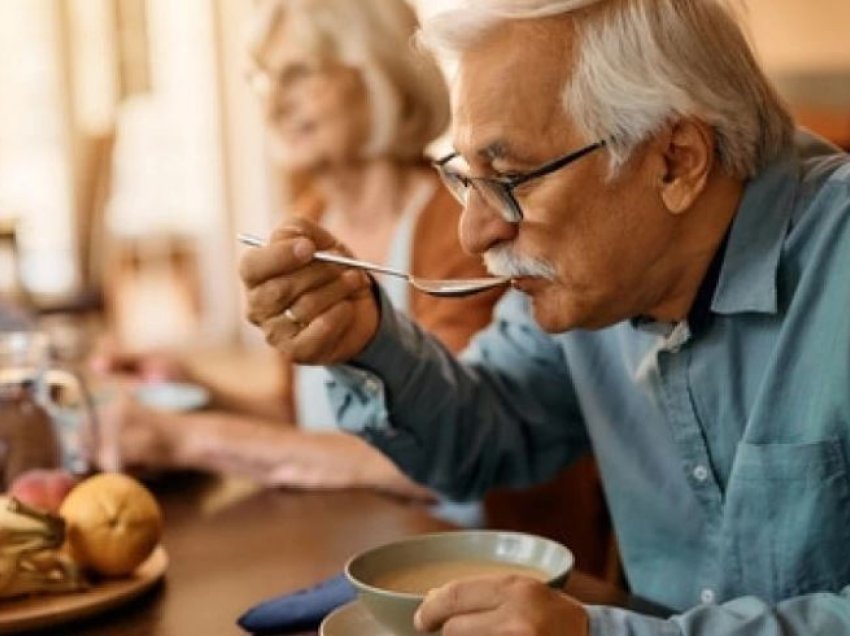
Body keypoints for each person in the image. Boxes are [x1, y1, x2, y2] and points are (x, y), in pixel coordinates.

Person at [238, 0, 850, 634]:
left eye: (510, 178)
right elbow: (480, 434)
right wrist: (364, 339)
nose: (475, 231)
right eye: (467, 177)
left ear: (676, 159)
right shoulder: (599, 283)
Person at [89, 0, 503, 515]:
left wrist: (188, 436)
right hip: (346, 538)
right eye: (265, 81)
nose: (273, 106)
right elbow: (306, 417)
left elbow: (433, 451)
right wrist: (197, 388)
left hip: (463, 554)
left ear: (381, 73)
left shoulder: (460, 226)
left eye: (299, 73)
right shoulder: (308, 220)